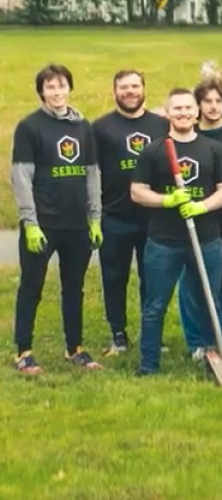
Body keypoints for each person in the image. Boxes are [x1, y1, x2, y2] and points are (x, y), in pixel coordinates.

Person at [130, 89, 222, 376]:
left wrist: (201, 206)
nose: (184, 113)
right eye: (177, 109)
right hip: (163, 243)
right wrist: (167, 200)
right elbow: (137, 192)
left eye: (188, 108)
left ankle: (214, 362)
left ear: (197, 111)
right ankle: (148, 365)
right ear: (168, 112)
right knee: (155, 305)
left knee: (209, 302)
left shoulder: (213, 149)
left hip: (207, 239)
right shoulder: (153, 151)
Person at [12, 64, 104, 374]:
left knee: (73, 287)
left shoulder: (83, 127)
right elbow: (22, 177)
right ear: (41, 91)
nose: (56, 92)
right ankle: (23, 351)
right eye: (50, 86)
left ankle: (74, 348)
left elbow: (92, 174)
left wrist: (95, 218)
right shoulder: (30, 127)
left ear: (70, 88)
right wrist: (31, 223)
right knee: (31, 287)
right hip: (43, 224)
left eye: (61, 85)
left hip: (76, 224)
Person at [93, 69, 169, 355]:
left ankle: (152, 334)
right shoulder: (100, 128)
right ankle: (118, 334)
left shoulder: (161, 125)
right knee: (114, 277)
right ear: (115, 91)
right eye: (124, 87)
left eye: (135, 86)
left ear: (144, 89)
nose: (130, 92)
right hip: (115, 216)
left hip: (154, 218)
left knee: (153, 279)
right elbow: (93, 172)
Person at [187, 77, 222, 351]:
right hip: (194, 222)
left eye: (218, 101)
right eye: (206, 101)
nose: (212, 106)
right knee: (194, 286)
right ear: (198, 105)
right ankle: (197, 342)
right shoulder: (187, 135)